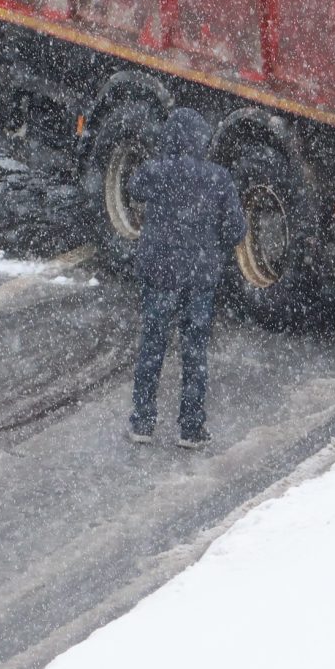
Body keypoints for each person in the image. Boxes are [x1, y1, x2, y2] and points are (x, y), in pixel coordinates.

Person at [127, 106, 247, 449]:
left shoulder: (155, 172)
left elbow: (134, 189)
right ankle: (191, 428)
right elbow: (236, 229)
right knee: (195, 352)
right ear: (201, 140)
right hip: (199, 278)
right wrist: (212, 247)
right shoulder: (218, 178)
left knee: (153, 345)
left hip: (160, 273)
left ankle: (143, 422)